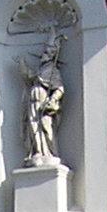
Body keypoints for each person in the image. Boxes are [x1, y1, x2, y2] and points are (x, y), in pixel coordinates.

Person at [22, 33, 65, 166]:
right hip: (32, 103)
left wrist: (52, 100)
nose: (45, 54)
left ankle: (49, 153)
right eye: (45, 51)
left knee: (45, 128)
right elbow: (28, 76)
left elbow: (60, 88)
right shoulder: (40, 70)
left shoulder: (53, 71)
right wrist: (22, 63)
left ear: (53, 55)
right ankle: (37, 152)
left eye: (49, 52)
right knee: (33, 127)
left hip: (43, 104)